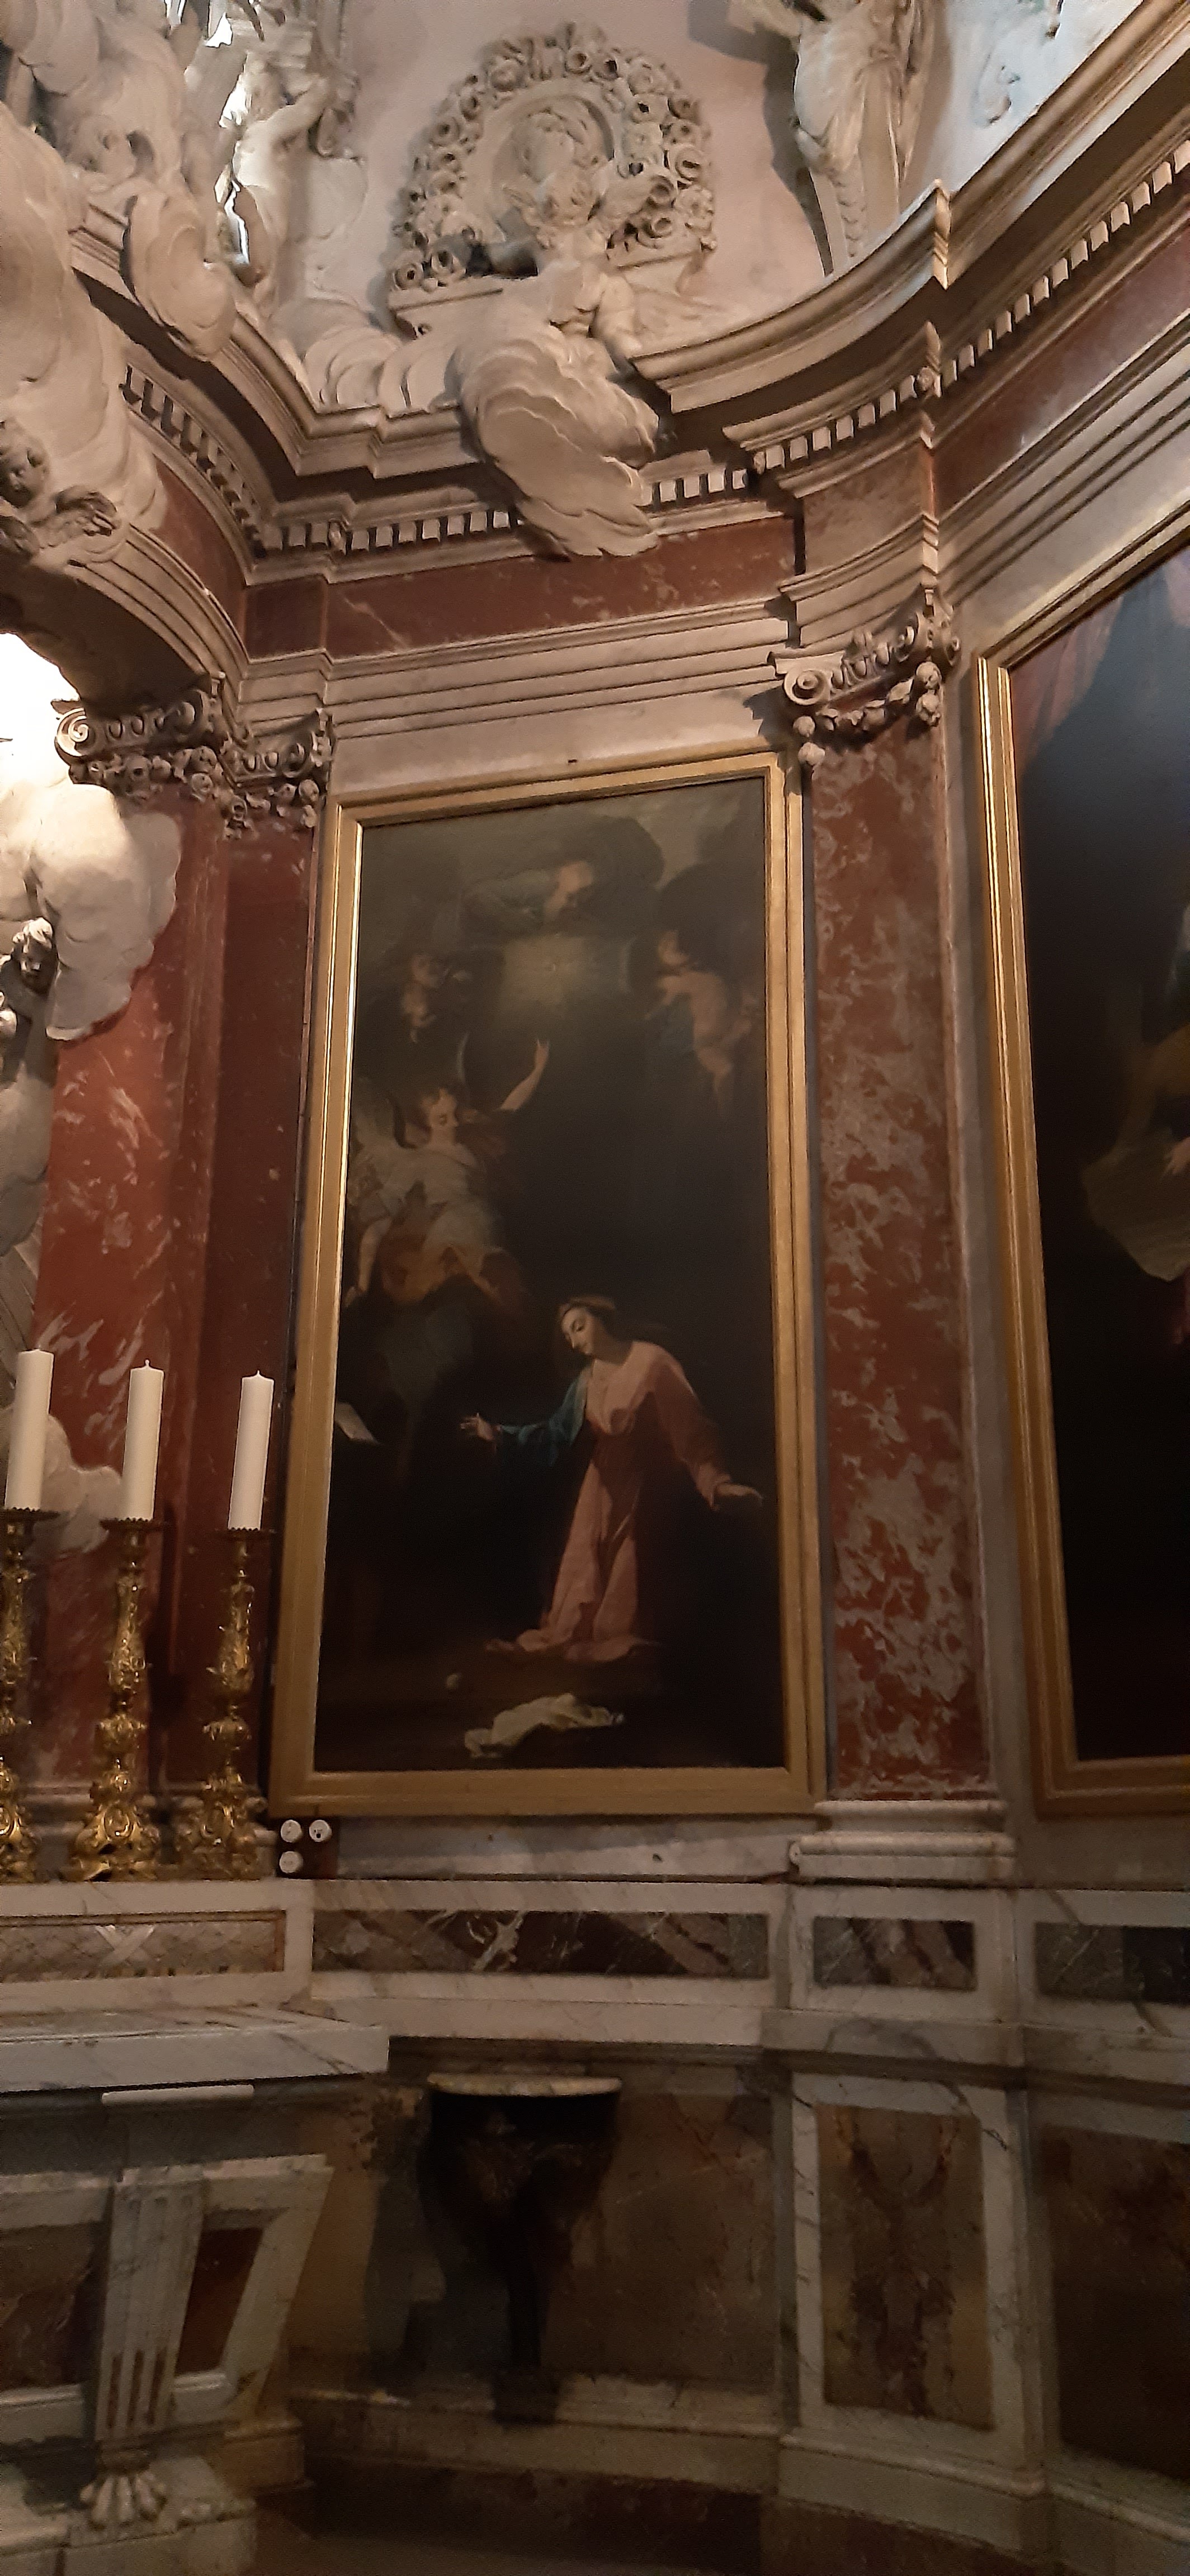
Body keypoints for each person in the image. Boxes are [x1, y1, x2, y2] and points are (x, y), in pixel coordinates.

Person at [462, 1296, 759, 1664]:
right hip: (600, 1487)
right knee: (586, 1568)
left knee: (630, 1568)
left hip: (647, 1485)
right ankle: (591, 1645)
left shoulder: (652, 1362)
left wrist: (717, 1483)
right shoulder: (587, 1381)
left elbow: (691, 1430)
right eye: (568, 1336)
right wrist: (500, 1434)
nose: (575, 1341)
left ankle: (623, 1646)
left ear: (602, 1319)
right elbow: (555, 1432)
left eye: (579, 1327)